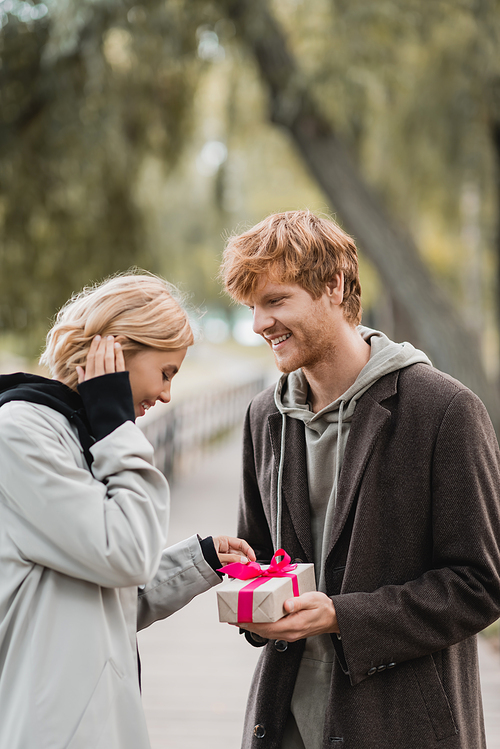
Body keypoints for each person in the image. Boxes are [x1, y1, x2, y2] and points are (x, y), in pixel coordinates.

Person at [219, 210, 500, 749]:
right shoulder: (264, 417)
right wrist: (249, 601)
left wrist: (342, 617)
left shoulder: (446, 411)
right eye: (253, 307)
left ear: (334, 285)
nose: (259, 324)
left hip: (401, 727)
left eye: (276, 301)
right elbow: (258, 560)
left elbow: (479, 585)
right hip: (283, 724)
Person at [0, 272, 255, 749]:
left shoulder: (78, 435)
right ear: (116, 352)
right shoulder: (21, 436)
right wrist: (119, 430)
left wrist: (198, 560)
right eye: (166, 372)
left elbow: (103, 594)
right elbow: (126, 555)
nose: (166, 396)